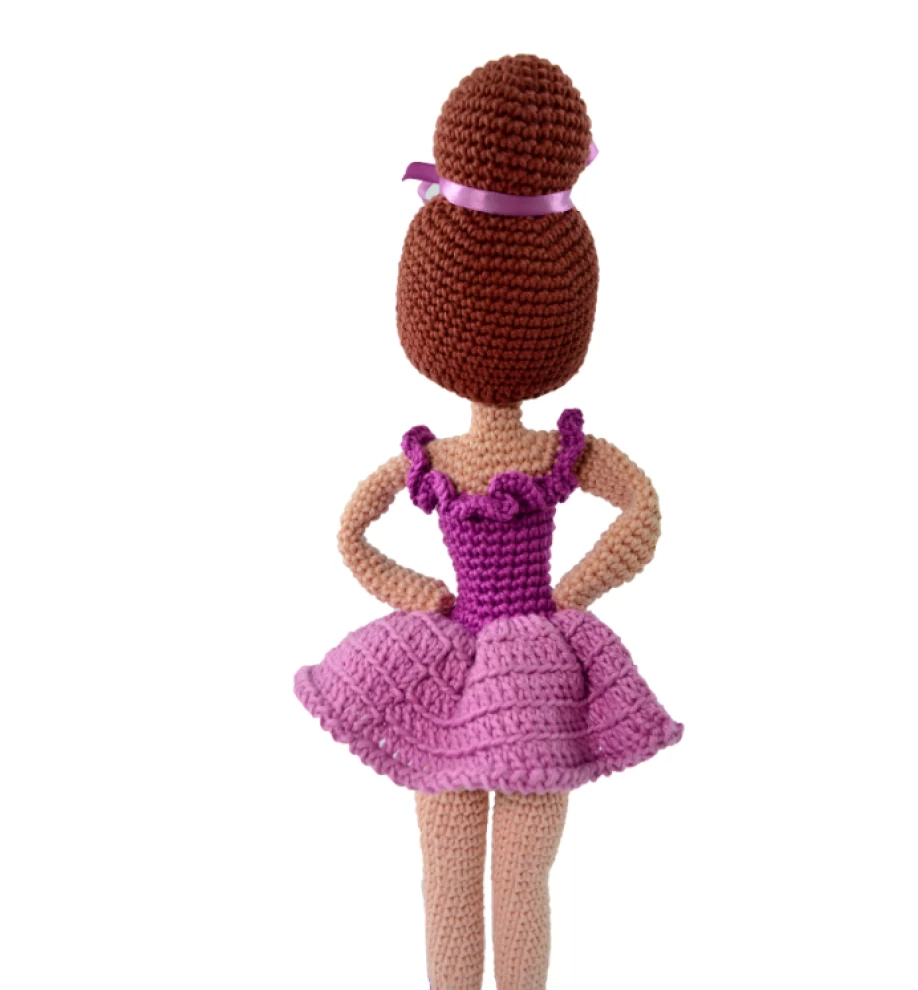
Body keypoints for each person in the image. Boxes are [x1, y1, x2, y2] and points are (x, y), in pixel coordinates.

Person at [295, 54, 683, 990]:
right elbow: (642, 508)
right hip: (532, 665)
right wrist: (566, 595)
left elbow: (352, 534)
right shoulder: (525, 455)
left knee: (466, 878)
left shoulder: (447, 460)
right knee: (508, 880)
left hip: (479, 659)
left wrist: (425, 594)